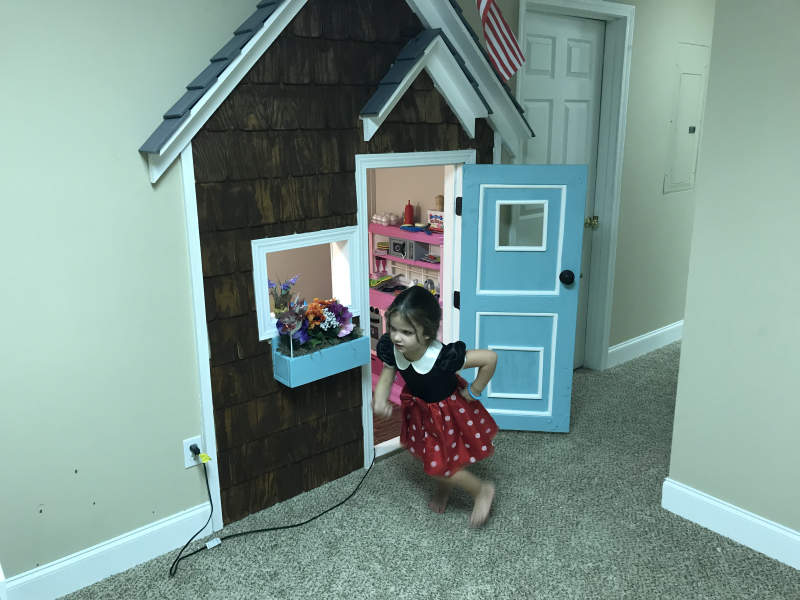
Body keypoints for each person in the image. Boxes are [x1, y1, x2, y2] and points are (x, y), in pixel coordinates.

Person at [372, 286, 499, 527]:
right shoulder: (393, 348)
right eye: (394, 329)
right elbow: (388, 374)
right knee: (434, 455)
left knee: (441, 462)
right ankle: (445, 483)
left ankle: (482, 490)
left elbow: (490, 359)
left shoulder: (443, 357)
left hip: (449, 413)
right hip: (423, 411)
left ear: (428, 334)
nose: (397, 337)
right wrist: (379, 399)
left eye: (407, 332)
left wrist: (475, 390)